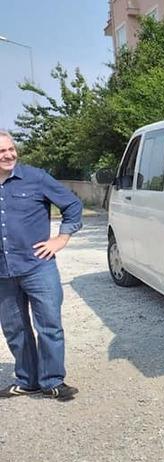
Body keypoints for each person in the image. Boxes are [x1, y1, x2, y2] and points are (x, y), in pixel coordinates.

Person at [0, 131, 82, 401]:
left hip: (38, 266)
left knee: (49, 324)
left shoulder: (35, 178)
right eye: (2, 151)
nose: (9, 154)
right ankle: (27, 381)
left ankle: (53, 381)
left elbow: (72, 204)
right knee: (15, 329)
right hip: (3, 272)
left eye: (11, 149)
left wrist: (61, 238)